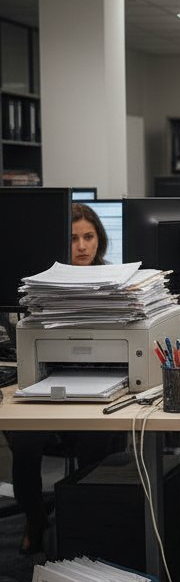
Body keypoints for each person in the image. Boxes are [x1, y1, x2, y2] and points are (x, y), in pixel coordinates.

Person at [7, 205, 122, 554]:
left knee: (96, 440)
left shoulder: (116, 283)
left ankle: (86, 521)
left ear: (99, 239)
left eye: (89, 237)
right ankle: (35, 516)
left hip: (102, 381)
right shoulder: (39, 285)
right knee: (24, 441)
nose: (82, 246)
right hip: (46, 381)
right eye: (73, 239)